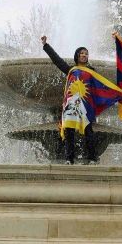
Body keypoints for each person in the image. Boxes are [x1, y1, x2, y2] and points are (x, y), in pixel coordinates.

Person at [41, 35, 97, 165]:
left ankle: (92, 158)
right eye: (82, 53)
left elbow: (99, 87)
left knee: (88, 131)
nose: (84, 55)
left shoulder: (92, 72)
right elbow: (57, 60)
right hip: (71, 105)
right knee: (69, 131)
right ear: (77, 55)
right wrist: (46, 45)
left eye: (86, 54)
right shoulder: (71, 70)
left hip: (86, 105)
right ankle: (69, 159)